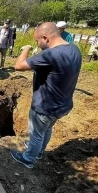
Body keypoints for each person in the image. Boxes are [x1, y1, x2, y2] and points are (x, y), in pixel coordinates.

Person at [10, 22, 82, 168]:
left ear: (45, 38)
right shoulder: (74, 49)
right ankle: (40, 152)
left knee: (36, 134)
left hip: (45, 106)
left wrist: (26, 49)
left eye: (37, 41)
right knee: (46, 129)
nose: (37, 44)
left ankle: (28, 158)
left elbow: (19, 66)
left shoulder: (51, 54)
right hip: (62, 104)